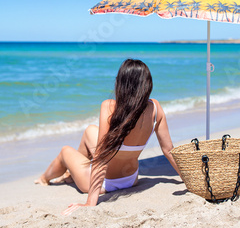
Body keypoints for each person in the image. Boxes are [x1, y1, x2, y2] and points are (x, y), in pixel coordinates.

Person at [34, 59, 179, 215]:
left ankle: (44, 179)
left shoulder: (109, 106)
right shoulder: (155, 107)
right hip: (130, 179)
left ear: (121, 84)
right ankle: (69, 176)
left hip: (103, 183)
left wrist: (90, 202)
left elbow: (102, 157)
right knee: (90, 130)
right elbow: (169, 150)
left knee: (65, 151)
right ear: (147, 84)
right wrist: (187, 178)